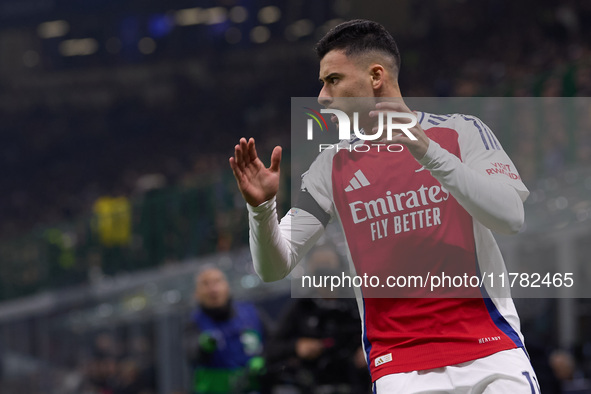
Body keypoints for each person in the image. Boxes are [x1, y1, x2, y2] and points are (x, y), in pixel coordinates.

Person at [229, 19, 539, 393]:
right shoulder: (331, 167)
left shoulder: (462, 131)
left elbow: (510, 217)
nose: (323, 97)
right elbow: (274, 267)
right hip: (400, 370)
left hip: (491, 354)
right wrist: (262, 210)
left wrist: (425, 149)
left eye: (333, 80)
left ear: (375, 76)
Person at [265, 245, 370, 393]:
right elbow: (271, 349)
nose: (324, 273)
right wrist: (297, 346)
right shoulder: (302, 307)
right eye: (318, 268)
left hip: (358, 383)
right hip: (314, 384)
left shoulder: (357, 303)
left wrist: (370, 350)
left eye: (328, 266)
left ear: (340, 267)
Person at [186, 266, 266, 393]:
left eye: (217, 281)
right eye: (205, 284)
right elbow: (191, 352)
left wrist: (264, 358)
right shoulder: (194, 323)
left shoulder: (252, 313)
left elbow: (276, 341)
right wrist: (202, 346)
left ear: (227, 286)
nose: (213, 289)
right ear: (197, 293)